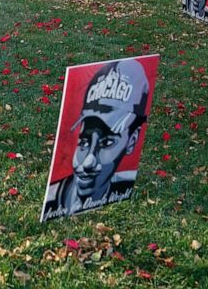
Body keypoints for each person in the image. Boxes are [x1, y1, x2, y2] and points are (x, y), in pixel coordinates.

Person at [43, 59, 150, 221]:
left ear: (132, 140)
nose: (87, 163)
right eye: (84, 143)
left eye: (107, 143)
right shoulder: (53, 200)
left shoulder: (123, 187)